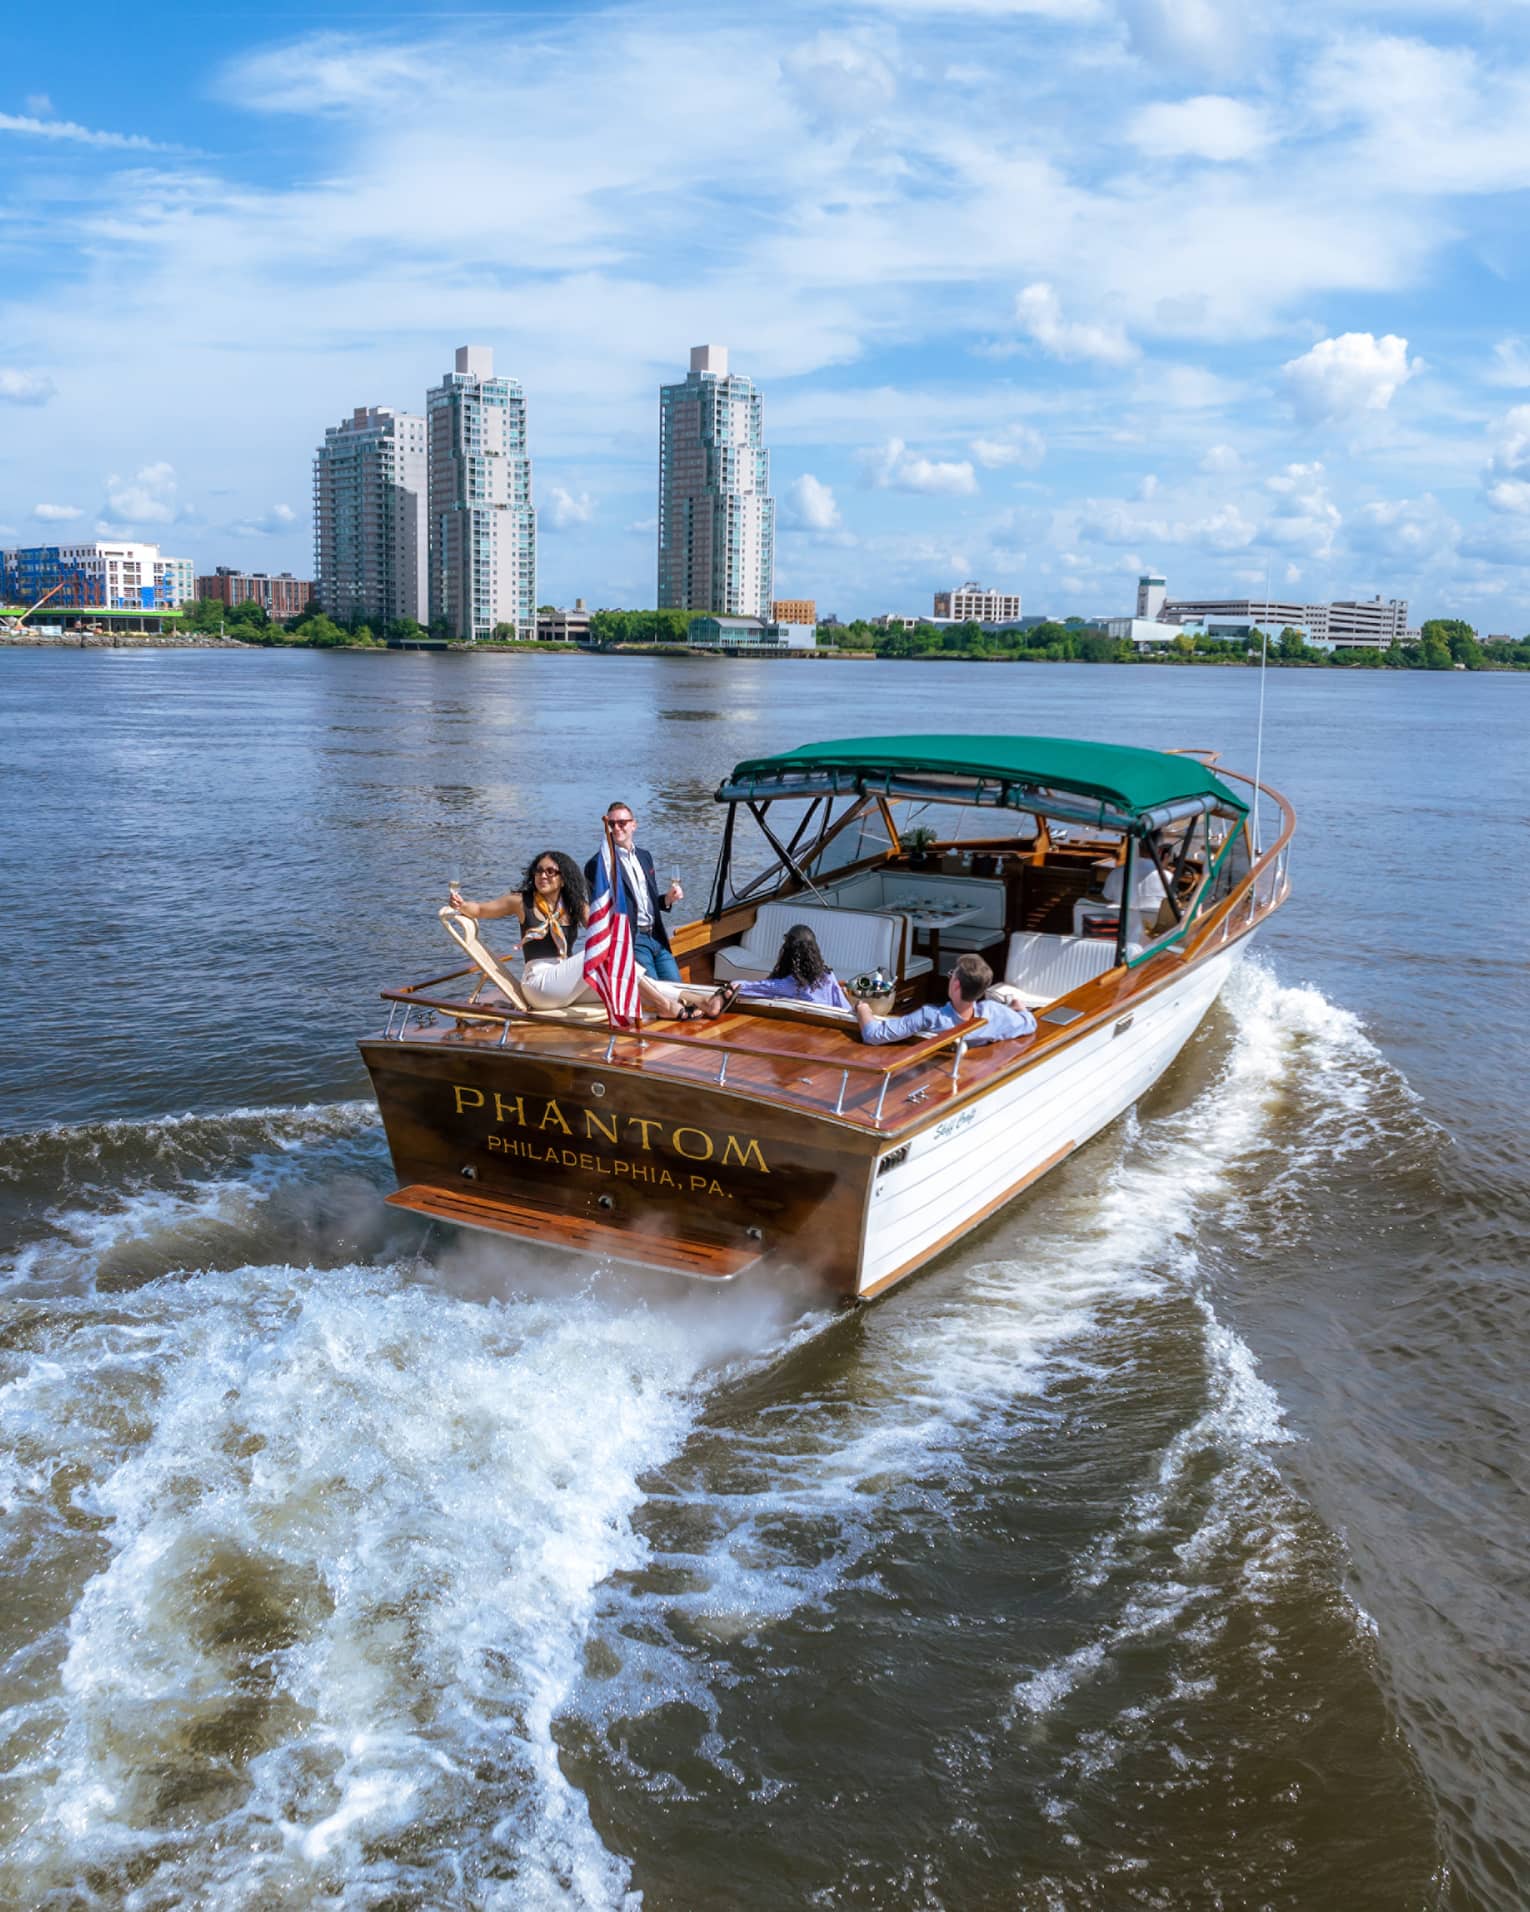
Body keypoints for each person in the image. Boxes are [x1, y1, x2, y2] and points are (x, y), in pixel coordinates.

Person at [450, 852, 689, 1017]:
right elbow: (481, 909)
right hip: (540, 986)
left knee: (623, 980)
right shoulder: (522, 902)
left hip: (566, 984)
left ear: (563, 878)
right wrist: (460, 905)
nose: (543, 876)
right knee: (601, 952)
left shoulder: (574, 906)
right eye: (539, 871)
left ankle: (701, 1000)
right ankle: (664, 1005)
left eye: (551, 871)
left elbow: (602, 930)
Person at [585, 801, 682, 985]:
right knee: (658, 993)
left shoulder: (645, 856)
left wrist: (668, 899)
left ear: (633, 825)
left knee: (678, 986)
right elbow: (598, 911)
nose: (616, 828)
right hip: (632, 939)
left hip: (657, 936)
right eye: (611, 824)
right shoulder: (598, 865)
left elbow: (647, 900)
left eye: (621, 823)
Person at [855, 952, 1036, 1046]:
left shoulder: (931, 1017)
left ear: (956, 985)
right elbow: (1030, 1024)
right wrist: (1018, 1006)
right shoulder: (994, 1014)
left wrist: (863, 1009)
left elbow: (874, 1035)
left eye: (951, 975)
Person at [709, 923, 850, 1014]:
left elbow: (749, 987)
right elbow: (844, 1007)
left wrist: (730, 986)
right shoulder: (828, 977)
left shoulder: (786, 985)